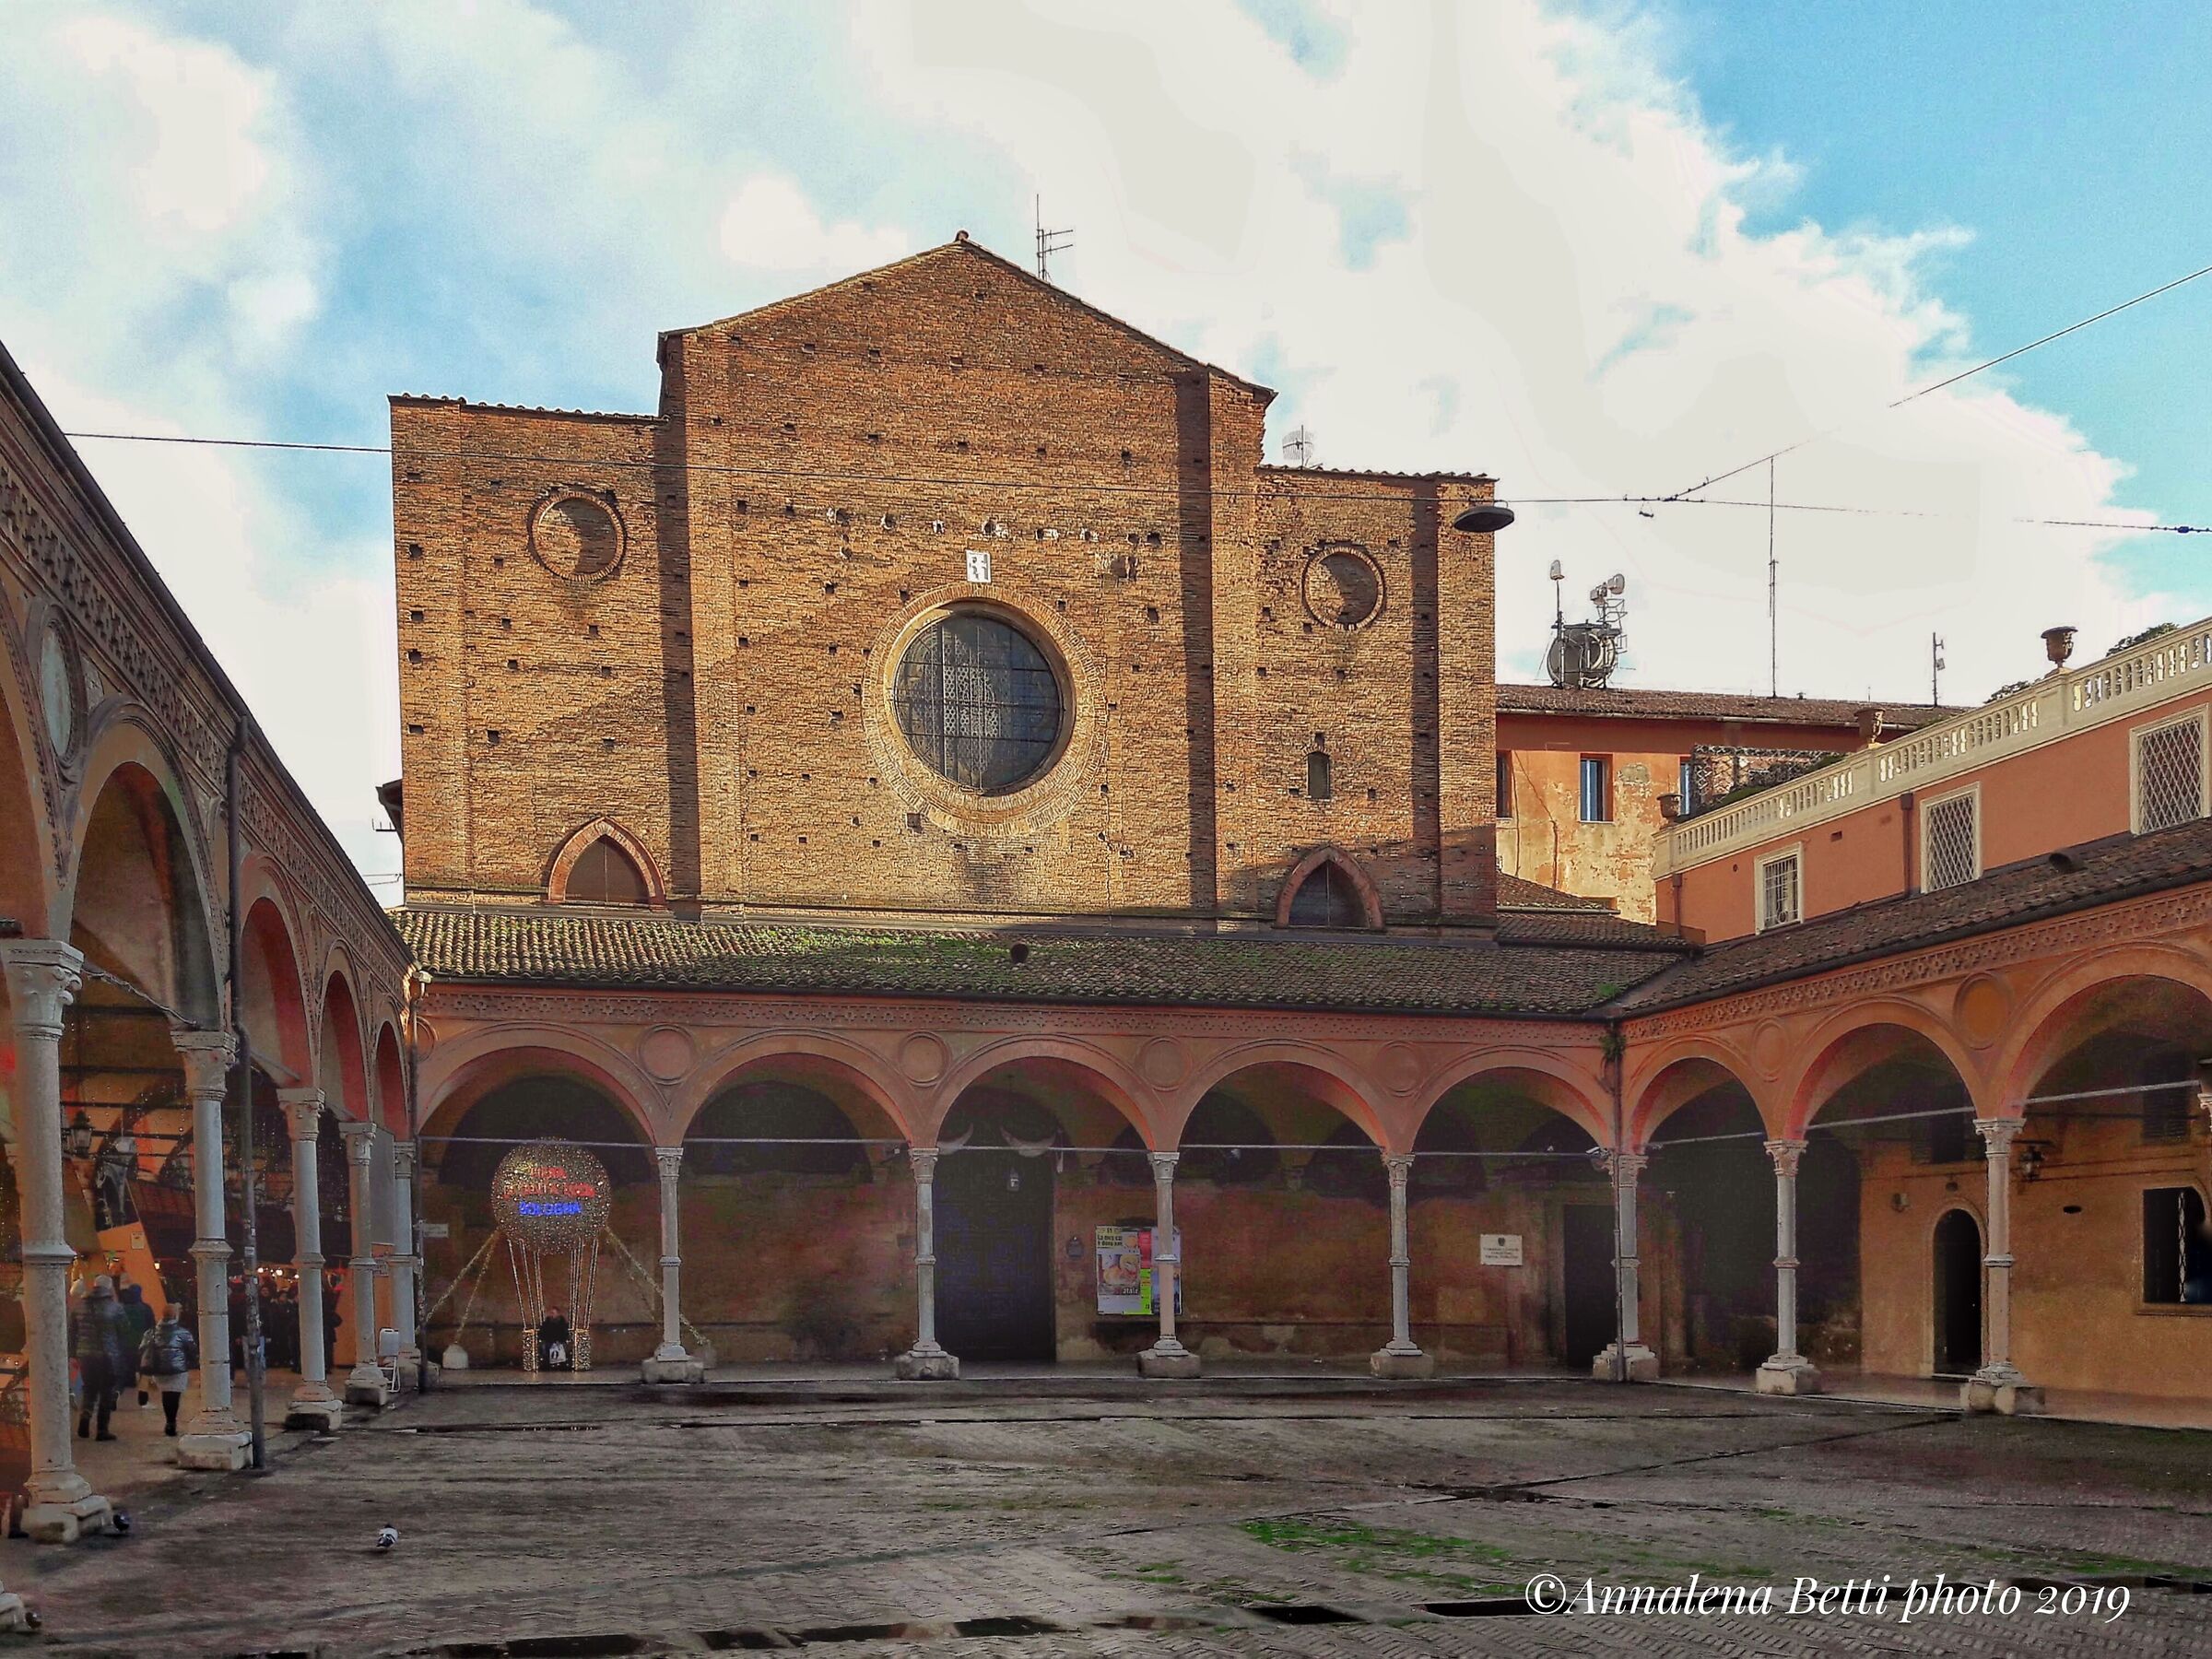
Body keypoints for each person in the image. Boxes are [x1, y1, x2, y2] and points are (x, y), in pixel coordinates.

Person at [71, 1276, 131, 1441]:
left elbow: (72, 1332)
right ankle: (102, 1430)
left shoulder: (79, 1306)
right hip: (108, 1355)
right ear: (109, 1288)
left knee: (89, 1388)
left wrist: (74, 1354)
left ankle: (84, 1420)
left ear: (94, 1286)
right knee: (106, 1391)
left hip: (85, 1354)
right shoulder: (115, 1307)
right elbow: (125, 1329)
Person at [136, 1305, 198, 1437]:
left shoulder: (150, 1332)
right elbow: (192, 1350)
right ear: (176, 1316)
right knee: (174, 1396)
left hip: (159, 1368)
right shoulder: (183, 1333)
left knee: (166, 1395)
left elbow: (142, 1349)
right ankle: (171, 1421)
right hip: (178, 1369)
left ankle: (169, 1421)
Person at [117, 1280, 155, 1406]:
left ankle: (127, 1387)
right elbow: (151, 1326)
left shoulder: (122, 1308)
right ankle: (142, 1393)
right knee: (143, 1367)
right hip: (142, 1343)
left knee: (128, 1367)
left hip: (125, 1343)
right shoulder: (146, 1308)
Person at [536, 1306, 573, 1371]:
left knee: (562, 1348)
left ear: (557, 1314)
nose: (552, 1314)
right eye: (551, 1313)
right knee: (545, 1347)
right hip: (549, 1341)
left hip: (560, 1341)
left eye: (553, 1313)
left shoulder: (562, 1323)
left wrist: (559, 1340)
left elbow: (564, 1333)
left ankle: (561, 1364)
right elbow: (542, 1332)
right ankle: (547, 1364)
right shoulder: (547, 1323)